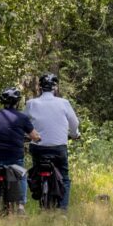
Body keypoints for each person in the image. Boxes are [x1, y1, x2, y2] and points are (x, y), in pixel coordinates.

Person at [0, 87, 40, 215]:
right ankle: (21, 207)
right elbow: (34, 136)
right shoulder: (22, 117)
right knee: (22, 176)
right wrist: (37, 138)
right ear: (17, 102)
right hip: (14, 156)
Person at [25, 73, 80, 211]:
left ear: (40, 88)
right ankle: (62, 210)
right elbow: (74, 122)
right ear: (55, 88)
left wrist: (25, 135)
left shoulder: (31, 104)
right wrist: (74, 134)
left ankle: (40, 192)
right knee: (65, 177)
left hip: (38, 147)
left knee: (37, 171)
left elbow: (23, 122)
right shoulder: (64, 103)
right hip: (59, 148)